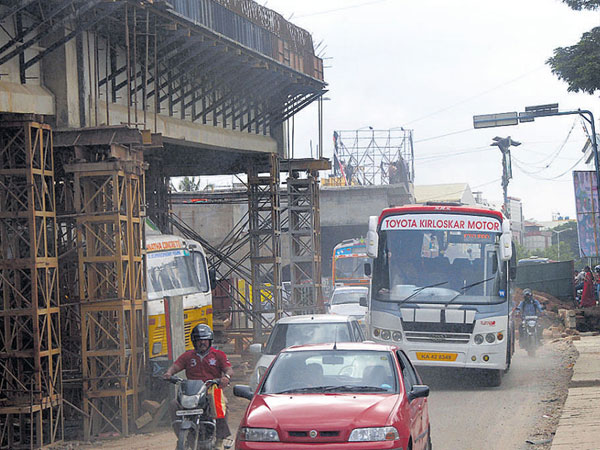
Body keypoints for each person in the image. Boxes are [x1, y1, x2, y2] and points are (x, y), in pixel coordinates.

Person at [163, 324, 233, 449]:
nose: (202, 342)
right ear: (194, 341)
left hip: (212, 389)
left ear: (210, 341)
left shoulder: (218, 355)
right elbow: (175, 366)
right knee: (174, 404)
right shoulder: (188, 356)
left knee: (220, 404)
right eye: (199, 340)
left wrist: (226, 377)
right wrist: (169, 373)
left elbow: (228, 369)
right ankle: (182, 436)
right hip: (192, 391)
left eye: (205, 339)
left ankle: (220, 439)